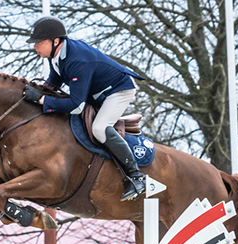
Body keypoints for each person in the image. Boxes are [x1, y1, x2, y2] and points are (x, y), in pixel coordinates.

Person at [23, 16, 147, 201]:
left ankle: (137, 176)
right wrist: (38, 90)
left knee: (99, 128)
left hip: (118, 90)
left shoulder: (78, 60)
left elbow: (76, 105)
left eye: (39, 42)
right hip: (96, 92)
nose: (35, 46)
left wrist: (42, 100)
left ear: (55, 41)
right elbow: (55, 79)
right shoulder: (56, 54)